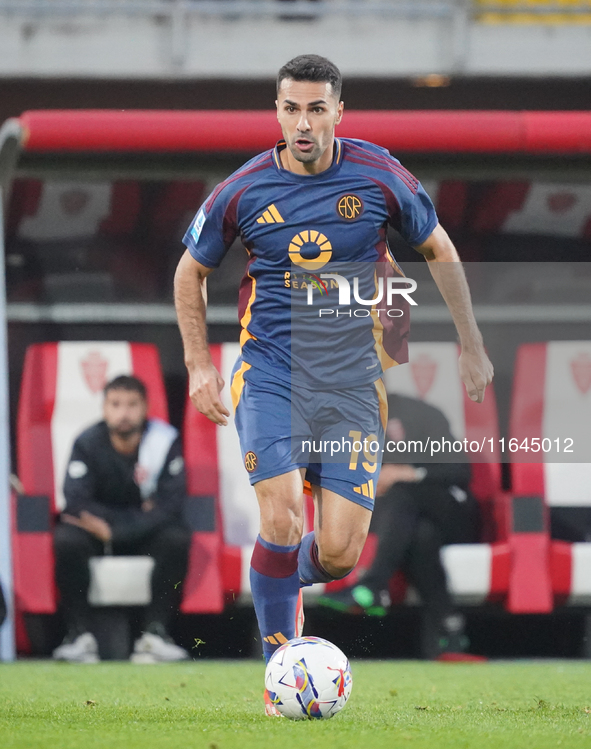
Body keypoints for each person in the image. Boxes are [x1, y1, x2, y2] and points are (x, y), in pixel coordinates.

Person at [174, 54, 493, 713]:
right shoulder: (244, 189)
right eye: (290, 107)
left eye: (316, 108)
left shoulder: (379, 176)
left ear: (338, 113)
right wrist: (200, 364)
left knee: (342, 553)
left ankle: (275, 571)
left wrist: (471, 343)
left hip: (350, 383)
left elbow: (439, 251)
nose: (302, 122)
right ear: (277, 112)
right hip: (269, 374)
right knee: (284, 515)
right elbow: (189, 272)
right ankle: (277, 664)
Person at [318, 392, 483, 661]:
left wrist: (411, 472)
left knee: (402, 492)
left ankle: (372, 586)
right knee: (421, 535)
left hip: (450, 511)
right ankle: (450, 632)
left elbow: (460, 470)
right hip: (401, 522)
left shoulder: (420, 412)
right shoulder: (343, 421)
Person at [52, 375, 191, 664]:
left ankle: (156, 635)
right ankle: (79, 636)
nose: (124, 413)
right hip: (101, 533)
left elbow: (171, 503)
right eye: (115, 404)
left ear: (145, 407)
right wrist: (135, 517)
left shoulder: (164, 441)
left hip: (134, 532)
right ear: (104, 408)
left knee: (177, 537)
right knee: (66, 538)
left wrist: (116, 530)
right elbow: (76, 500)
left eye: (132, 404)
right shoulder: (87, 442)